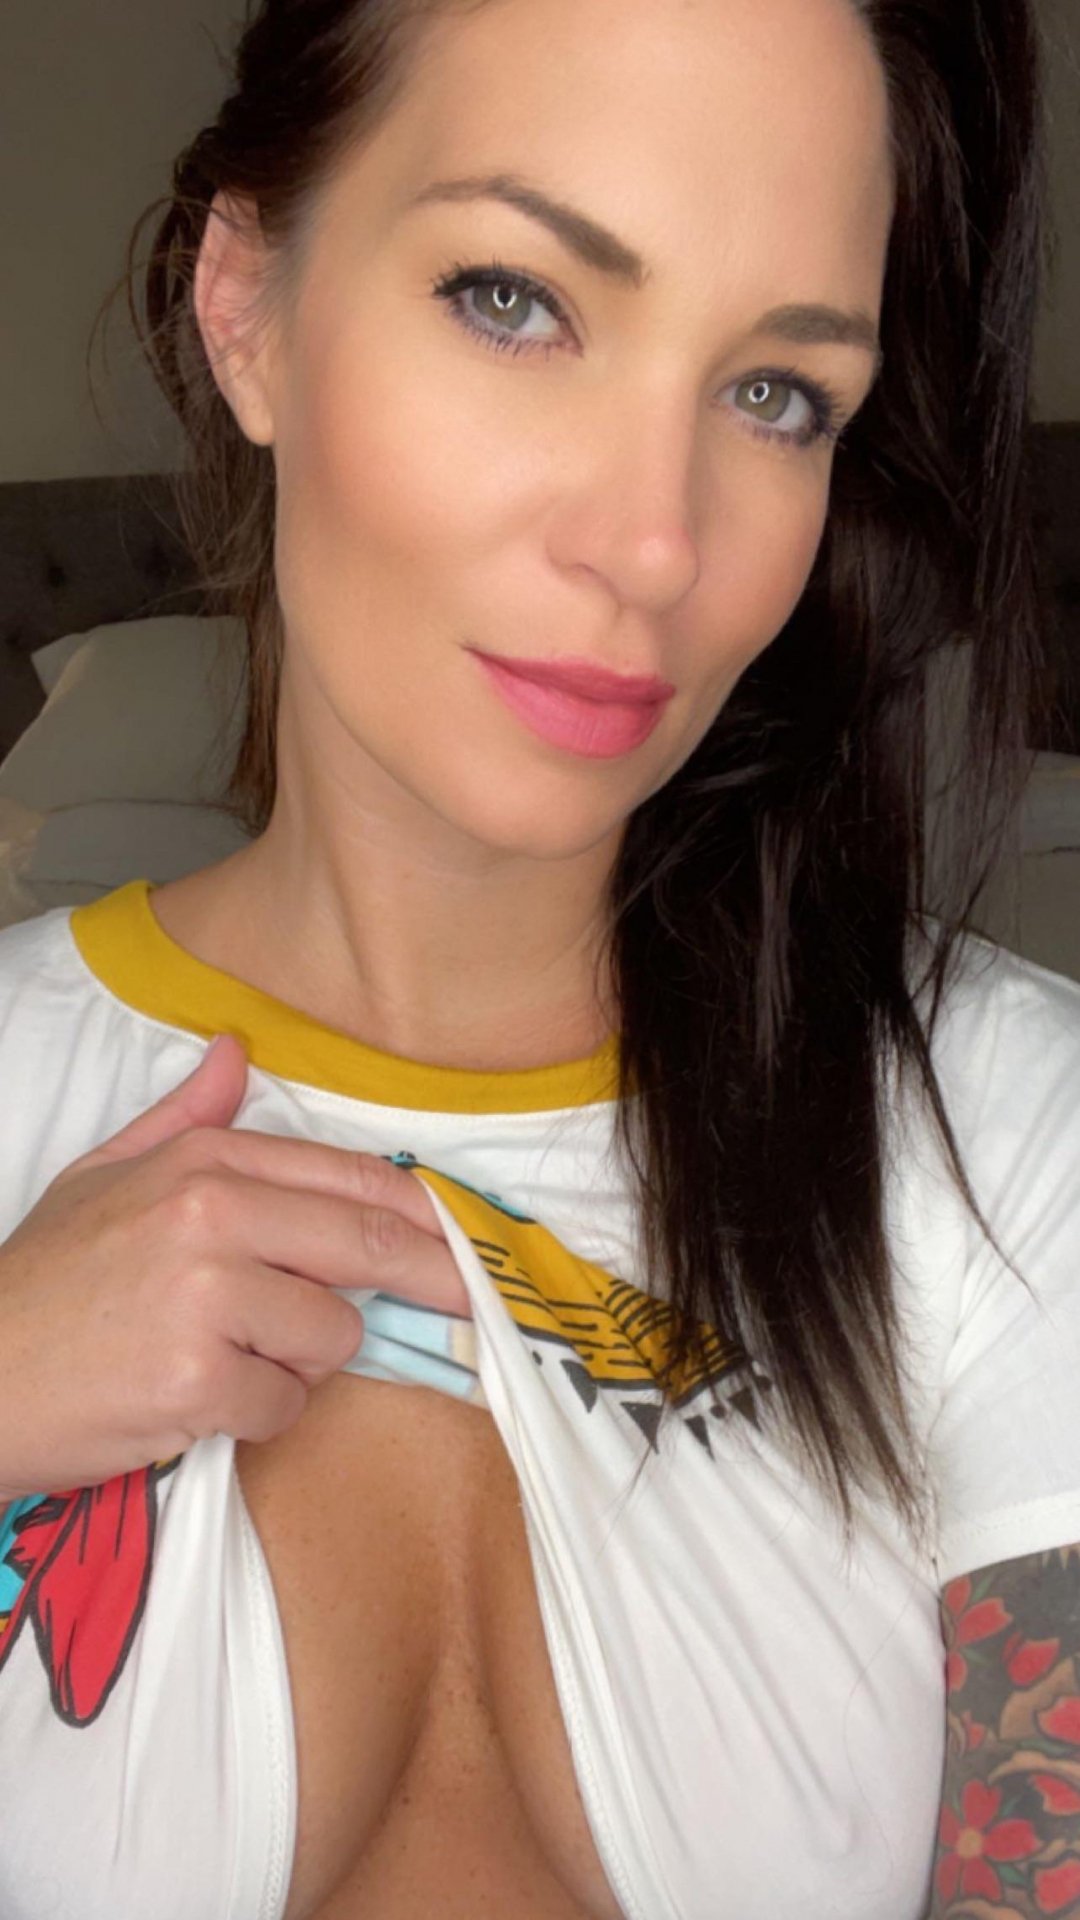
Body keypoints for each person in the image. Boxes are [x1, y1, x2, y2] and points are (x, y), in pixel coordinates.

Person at [0, 0, 1077, 1914]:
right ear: (245, 304)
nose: (654, 544)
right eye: (514, 301)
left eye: (778, 393)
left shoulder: (1009, 1141)